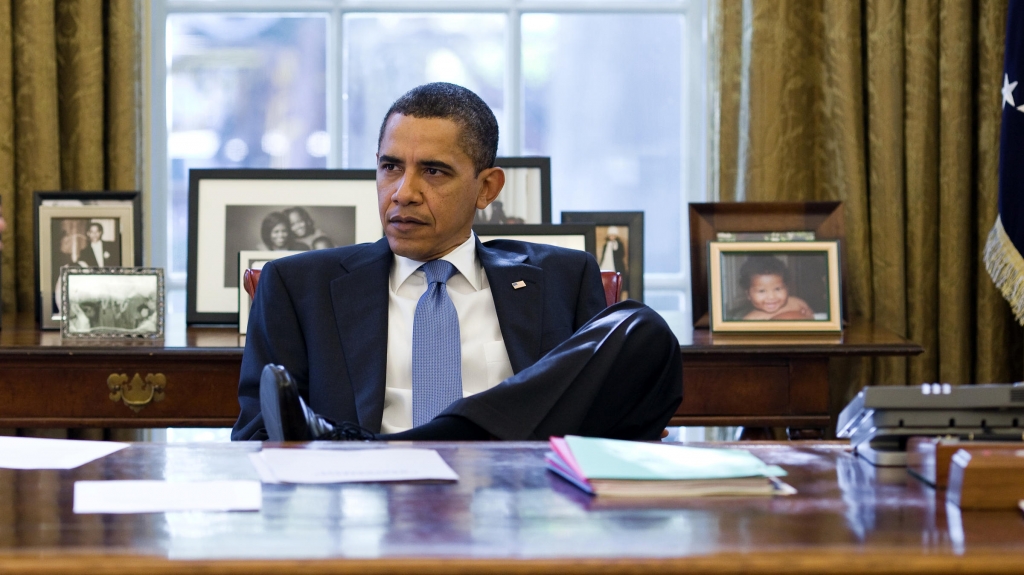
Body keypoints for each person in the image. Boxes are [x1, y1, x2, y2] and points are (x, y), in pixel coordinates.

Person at [232, 82, 682, 442]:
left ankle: (385, 446)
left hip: (520, 501)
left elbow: (598, 418)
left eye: (433, 171)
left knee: (644, 328)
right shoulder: (298, 286)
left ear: (487, 188)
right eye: (390, 167)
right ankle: (385, 453)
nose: (403, 192)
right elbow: (257, 435)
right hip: (363, 501)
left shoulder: (563, 277)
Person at [739, 255, 813, 320]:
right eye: (762, 291)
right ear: (748, 295)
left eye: (777, 289)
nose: (771, 297)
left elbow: (812, 318)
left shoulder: (797, 303)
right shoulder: (750, 320)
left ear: (787, 288)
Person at [598, 226, 628, 299]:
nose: (612, 237)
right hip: (606, 264)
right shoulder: (606, 245)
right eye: (610, 235)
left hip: (617, 266)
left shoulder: (619, 244)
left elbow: (622, 254)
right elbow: (603, 255)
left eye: (613, 235)